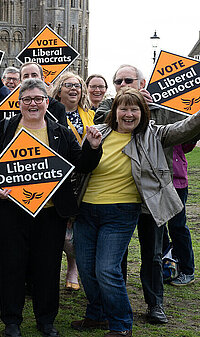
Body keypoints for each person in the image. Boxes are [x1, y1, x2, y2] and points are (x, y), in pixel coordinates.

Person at [71, 87, 200, 337]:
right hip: (86, 211)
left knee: (107, 269)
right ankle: (97, 315)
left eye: (135, 109)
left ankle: (121, 325)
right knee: (86, 269)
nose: (129, 114)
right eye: (124, 108)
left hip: (121, 213)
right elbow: (82, 167)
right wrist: (92, 147)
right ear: (114, 112)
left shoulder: (154, 135)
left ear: (143, 112)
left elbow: (186, 128)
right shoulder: (101, 132)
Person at [0, 78, 102, 337]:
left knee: (47, 268)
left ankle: (46, 321)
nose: (33, 104)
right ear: (19, 103)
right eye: (27, 99)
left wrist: (93, 147)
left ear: (47, 102)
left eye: (38, 99)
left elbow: (82, 164)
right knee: (12, 266)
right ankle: (12, 321)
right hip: (11, 211)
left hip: (50, 212)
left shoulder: (60, 131)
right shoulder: (5, 129)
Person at [93, 64, 185, 324]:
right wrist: (122, 105)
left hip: (149, 195)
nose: (123, 85)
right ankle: (114, 301)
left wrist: (147, 108)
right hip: (117, 198)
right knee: (116, 256)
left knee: (152, 253)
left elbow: (180, 130)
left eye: (129, 80)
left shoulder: (160, 107)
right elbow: (101, 125)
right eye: (118, 81)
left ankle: (155, 304)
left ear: (142, 83)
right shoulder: (107, 108)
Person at [49, 72, 96, 291]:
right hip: (57, 175)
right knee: (61, 225)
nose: (74, 89)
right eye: (68, 85)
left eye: (78, 85)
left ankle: (73, 268)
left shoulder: (90, 115)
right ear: (59, 89)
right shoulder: (49, 114)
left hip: (82, 177)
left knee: (77, 224)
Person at [163, 143, 196, 286]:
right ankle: (167, 265)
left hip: (177, 182)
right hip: (157, 181)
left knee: (177, 226)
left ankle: (187, 271)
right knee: (157, 226)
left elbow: (188, 146)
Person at [19, 62, 68, 127]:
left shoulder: (58, 108)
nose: (30, 78)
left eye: (34, 75)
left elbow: (64, 135)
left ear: (42, 79)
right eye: (26, 76)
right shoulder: (9, 107)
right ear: (20, 81)